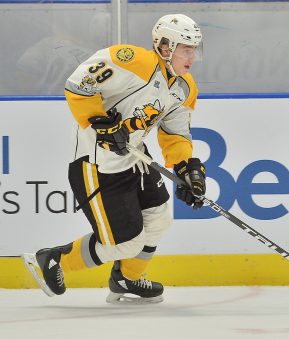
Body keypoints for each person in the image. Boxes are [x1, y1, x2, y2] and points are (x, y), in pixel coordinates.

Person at [22, 14, 206, 303]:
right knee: (125, 243)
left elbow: (175, 133)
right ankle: (53, 259)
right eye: (187, 48)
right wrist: (98, 120)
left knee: (158, 221)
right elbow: (78, 83)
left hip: (135, 158)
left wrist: (187, 167)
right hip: (97, 163)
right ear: (166, 47)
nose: (193, 56)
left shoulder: (184, 87)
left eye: (195, 48)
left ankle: (126, 279)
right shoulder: (132, 60)